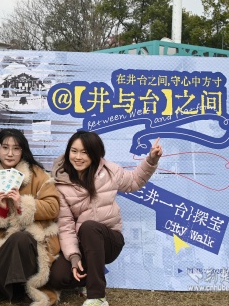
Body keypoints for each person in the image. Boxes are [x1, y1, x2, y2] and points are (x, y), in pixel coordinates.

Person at [48, 131, 163, 306]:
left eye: (85, 152)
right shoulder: (60, 182)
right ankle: (84, 280)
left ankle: (97, 297)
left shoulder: (110, 170)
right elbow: (65, 225)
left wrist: (151, 160)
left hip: (110, 240)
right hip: (82, 243)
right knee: (58, 277)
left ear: (95, 153)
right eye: (74, 151)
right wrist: (74, 257)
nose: (78, 157)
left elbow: (134, 181)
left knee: (89, 227)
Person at [0, 129, 61, 306]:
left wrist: (21, 204)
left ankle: (23, 289)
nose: (10, 153)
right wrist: (1, 209)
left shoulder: (38, 174)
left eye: (16, 148)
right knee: (12, 243)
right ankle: (15, 288)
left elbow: (53, 207)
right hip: (5, 244)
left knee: (21, 238)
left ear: (23, 151)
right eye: (5, 147)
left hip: (35, 242)